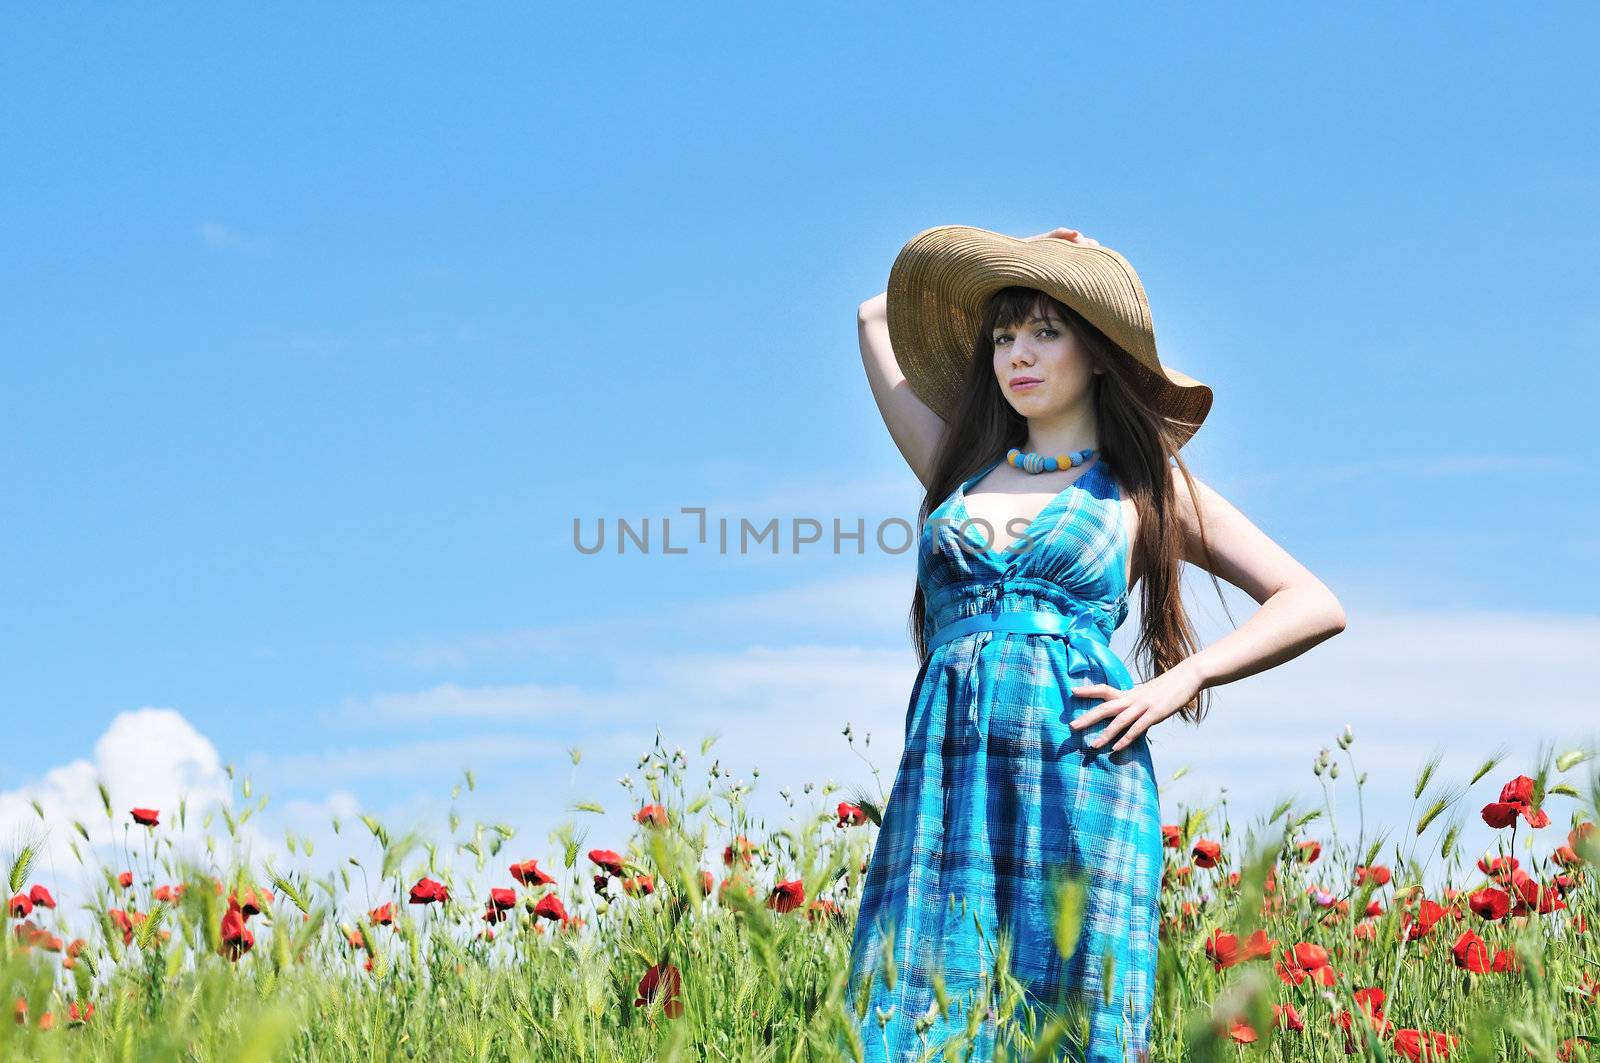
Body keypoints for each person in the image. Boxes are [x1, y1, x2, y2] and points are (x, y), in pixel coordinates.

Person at [843, 225, 1347, 1062]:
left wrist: (1178, 680)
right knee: (913, 1013)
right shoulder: (956, 469)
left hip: (1077, 769)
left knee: (1067, 1018)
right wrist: (1021, 255)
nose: (1019, 356)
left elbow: (1311, 600)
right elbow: (871, 317)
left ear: (1102, 354)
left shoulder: (1144, 487)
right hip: (943, 784)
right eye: (1005, 336)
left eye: (1048, 330)